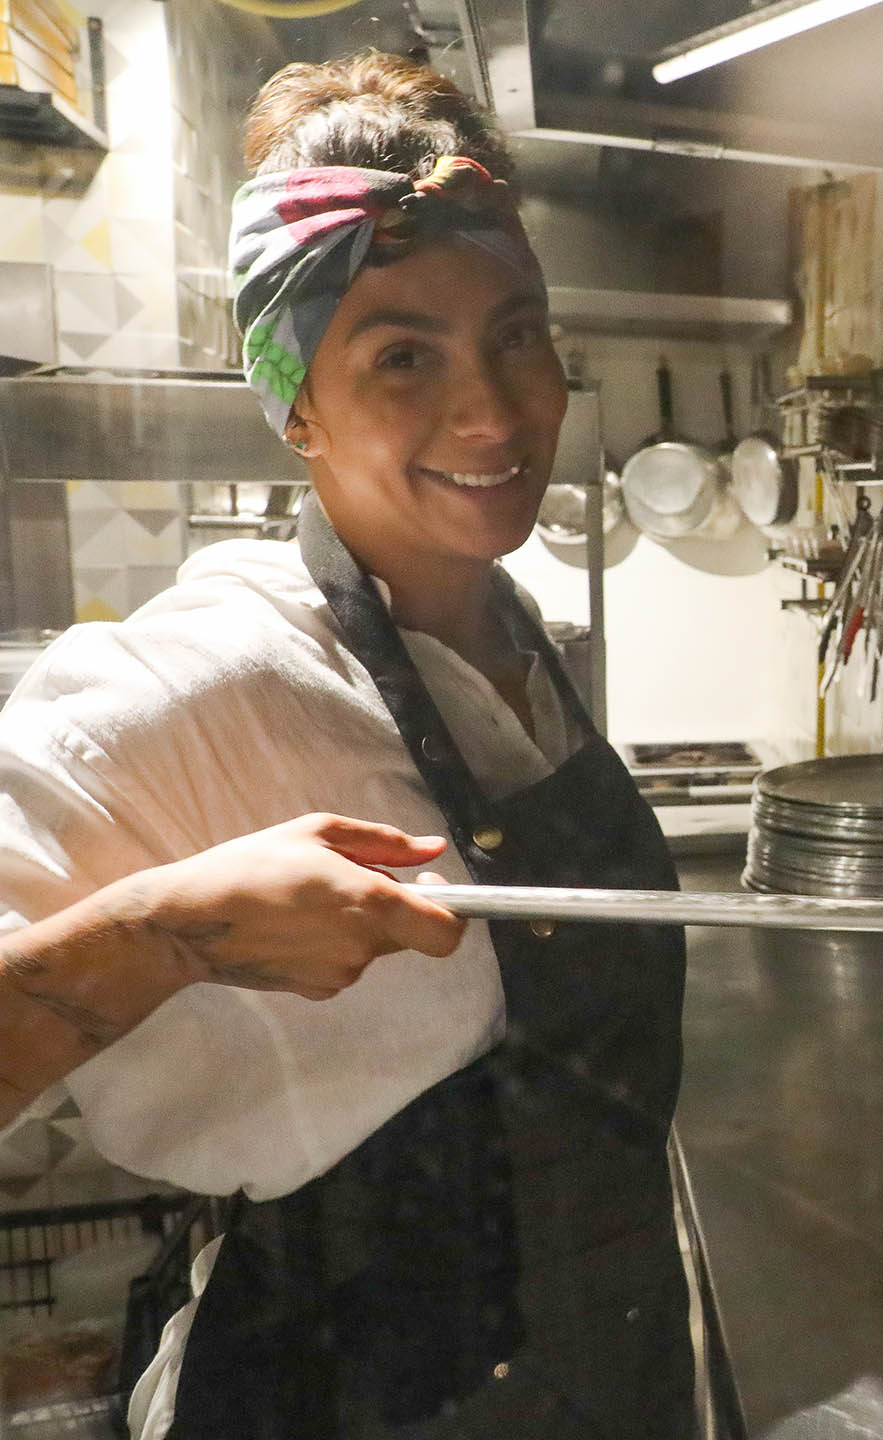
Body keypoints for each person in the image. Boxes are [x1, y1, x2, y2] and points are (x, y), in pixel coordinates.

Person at [0, 52, 703, 1437]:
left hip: (596, 1374)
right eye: (403, 356)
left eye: (518, 333)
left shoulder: (514, 642)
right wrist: (172, 932)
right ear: (295, 402)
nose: (494, 411)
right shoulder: (194, 677)